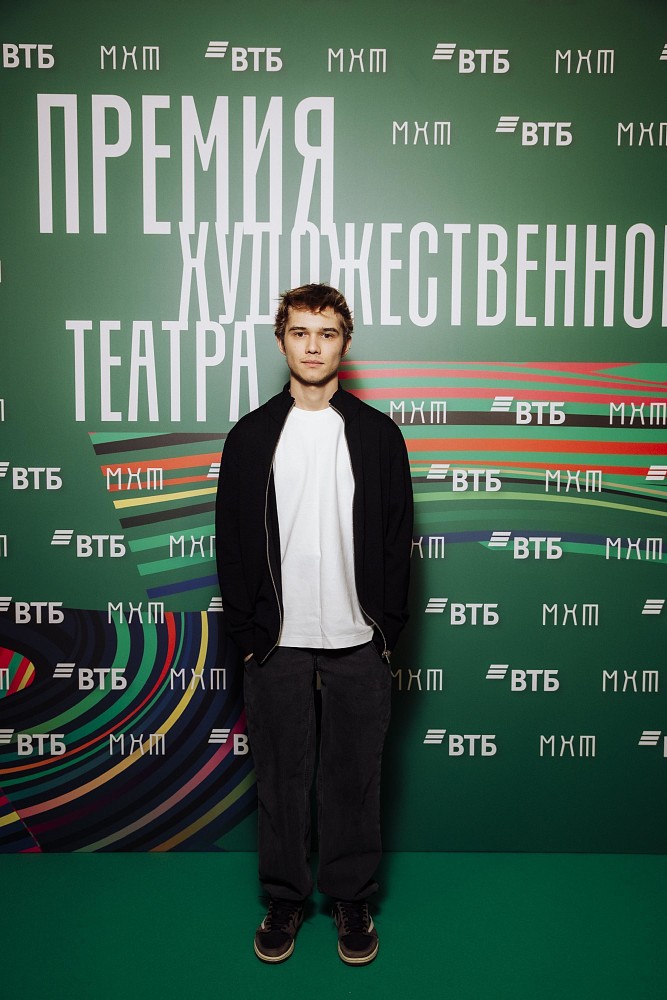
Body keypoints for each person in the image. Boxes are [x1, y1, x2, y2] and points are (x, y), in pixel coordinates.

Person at [215, 283, 413, 965]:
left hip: (359, 638)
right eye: (299, 332)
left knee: (354, 778)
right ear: (281, 341)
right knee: (280, 779)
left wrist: (386, 630)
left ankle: (351, 897)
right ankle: (285, 898)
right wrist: (248, 637)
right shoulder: (250, 437)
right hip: (276, 639)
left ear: (344, 344)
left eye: (326, 333)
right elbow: (231, 544)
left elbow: (397, 538)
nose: (312, 345)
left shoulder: (378, 435)